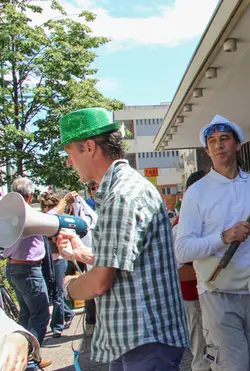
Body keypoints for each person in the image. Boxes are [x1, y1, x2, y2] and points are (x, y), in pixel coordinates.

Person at [55, 107, 189, 369]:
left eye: (70, 152)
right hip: (141, 341)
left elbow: (100, 283)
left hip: (144, 341)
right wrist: (83, 253)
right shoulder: (123, 190)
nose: (69, 162)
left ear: (90, 147)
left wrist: (68, 286)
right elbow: (134, 263)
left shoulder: (121, 195)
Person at [176, 114, 250, 371]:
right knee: (231, 366)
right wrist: (222, 238)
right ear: (207, 150)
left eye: (224, 138)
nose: (218, 145)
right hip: (217, 292)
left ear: (238, 145)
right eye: (212, 141)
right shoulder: (196, 192)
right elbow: (182, 249)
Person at [3, 178, 51, 357]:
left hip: (14, 268)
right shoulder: (26, 213)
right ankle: (29, 358)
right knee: (40, 315)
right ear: (30, 196)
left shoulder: (10, 214)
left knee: (25, 315)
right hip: (29, 270)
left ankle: (20, 357)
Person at [172, 170, 209, 371]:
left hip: (210, 294)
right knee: (201, 350)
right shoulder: (180, 227)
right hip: (194, 297)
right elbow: (178, 270)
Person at [39, 192, 76, 339]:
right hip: (48, 260)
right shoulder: (43, 220)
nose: (46, 209)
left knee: (58, 293)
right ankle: (68, 313)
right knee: (53, 293)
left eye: (50, 206)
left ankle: (57, 326)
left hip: (60, 258)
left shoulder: (60, 220)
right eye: (45, 206)